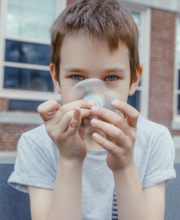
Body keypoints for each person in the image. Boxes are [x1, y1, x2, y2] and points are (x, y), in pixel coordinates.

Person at [7, 0, 176, 219]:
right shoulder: (37, 144)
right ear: (56, 78)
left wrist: (125, 166)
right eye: (77, 77)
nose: (93, 95)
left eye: (111, 77)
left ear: (134, 79)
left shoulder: (154, 139)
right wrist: (69, 159)